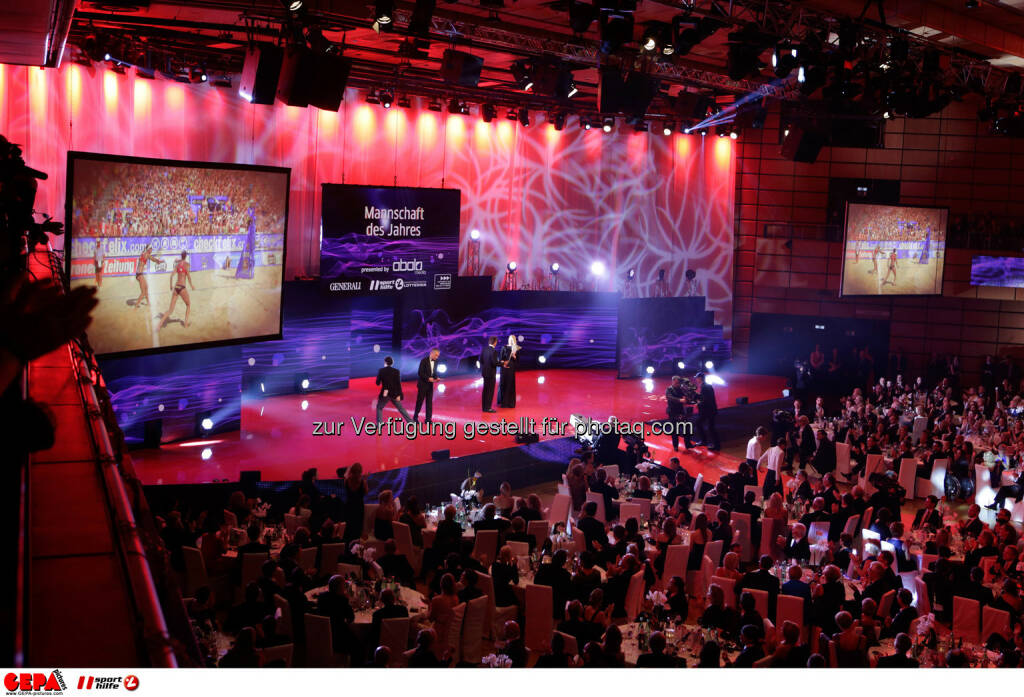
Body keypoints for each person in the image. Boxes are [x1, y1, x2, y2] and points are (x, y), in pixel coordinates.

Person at [158, 250, 194, 330]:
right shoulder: (187, 265)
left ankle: (159, 325)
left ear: (181, 256)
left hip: (176, 287)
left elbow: (171, 276)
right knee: (188, 305)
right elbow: (188, 277)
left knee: (170, 310)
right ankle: (185, 324)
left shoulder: (177, 265)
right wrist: (191, 286)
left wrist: (171, 286)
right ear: (186, 256)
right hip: (182, 287)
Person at [374, 356, 412, 423]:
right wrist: (399, 395)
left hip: (385, 393)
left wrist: (380, 377)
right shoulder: (396, 371)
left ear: (385, 362)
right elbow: (398, 384)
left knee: (379, 408)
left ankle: (379, 424)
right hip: (395, 394)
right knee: (401, 409)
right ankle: (411, 422)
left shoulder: (381, 370)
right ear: (392, 363)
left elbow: (377, 383)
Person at [664, 375, 694, 451]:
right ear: (673, 381)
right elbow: (670, 397)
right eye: (676, 383)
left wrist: (687, 398)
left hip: (681, 412)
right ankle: (675, 446)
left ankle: (688, 444)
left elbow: (687, 397)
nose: (678, 384)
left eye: (678, 383)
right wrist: (680, 400)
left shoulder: (681, 389)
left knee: (686, 429)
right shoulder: (669, 389)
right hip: (673, 412)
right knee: (674, 430)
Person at [693, 372, 720, 451]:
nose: (696, 379)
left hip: (708, 411)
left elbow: (705, 400)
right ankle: (710, 443)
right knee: (709, 427)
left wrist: (698, 404)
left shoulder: (704, 387)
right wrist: (696, 394)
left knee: (704, 425)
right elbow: (704, 397)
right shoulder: (706, 386)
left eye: (697, 378)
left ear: (700, 378)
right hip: (710, 410)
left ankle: (714, 444)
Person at [415, 348, 441, 423]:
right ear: (431, 353)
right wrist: (428, 378)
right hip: (422, 384)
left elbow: (434, 372)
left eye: (438, 356)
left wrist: (436, 377)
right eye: (436, 355)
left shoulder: (436, 361)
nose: (437, 357)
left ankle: (428, 419)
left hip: (430, 385)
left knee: (429, 402)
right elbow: (420, 373)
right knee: (420, 401)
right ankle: (415, 417)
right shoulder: (424, 360)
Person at [498, 334, 520, 408]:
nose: (511, 341)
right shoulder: (504, 347)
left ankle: (510, 403)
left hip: (511, 368)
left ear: (514, 341)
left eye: (512, 340)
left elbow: (518, 361)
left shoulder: (516, 349)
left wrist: (514, 356)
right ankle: (503, 402)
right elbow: (500, 358)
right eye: (510, 339)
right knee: (503, 384)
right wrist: (503, 363)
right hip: (504, 367)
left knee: (510, 384)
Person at [479, 336, 500, 413]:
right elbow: (494, 363)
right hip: (491, 374)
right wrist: (502, 363)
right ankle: (488, 408)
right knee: (490, 391)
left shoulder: (484, 349)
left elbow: (481, 360)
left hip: (485, 373)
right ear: (495, 342)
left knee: (485, 390)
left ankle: (484, 407)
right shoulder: (494, 351)